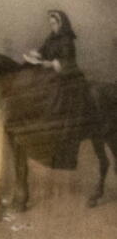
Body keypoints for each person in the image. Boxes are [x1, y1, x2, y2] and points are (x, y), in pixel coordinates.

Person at [22, 9, 93, 169]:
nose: (52, 26)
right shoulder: (52, 37)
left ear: (61, 23)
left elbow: (67, 60)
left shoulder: (67, 39)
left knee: (58, 97)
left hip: (68, 76)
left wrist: (52, 64)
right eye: (50, 24)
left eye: (54, 23)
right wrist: (35, 55)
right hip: (54, 75)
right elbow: (43, 50)